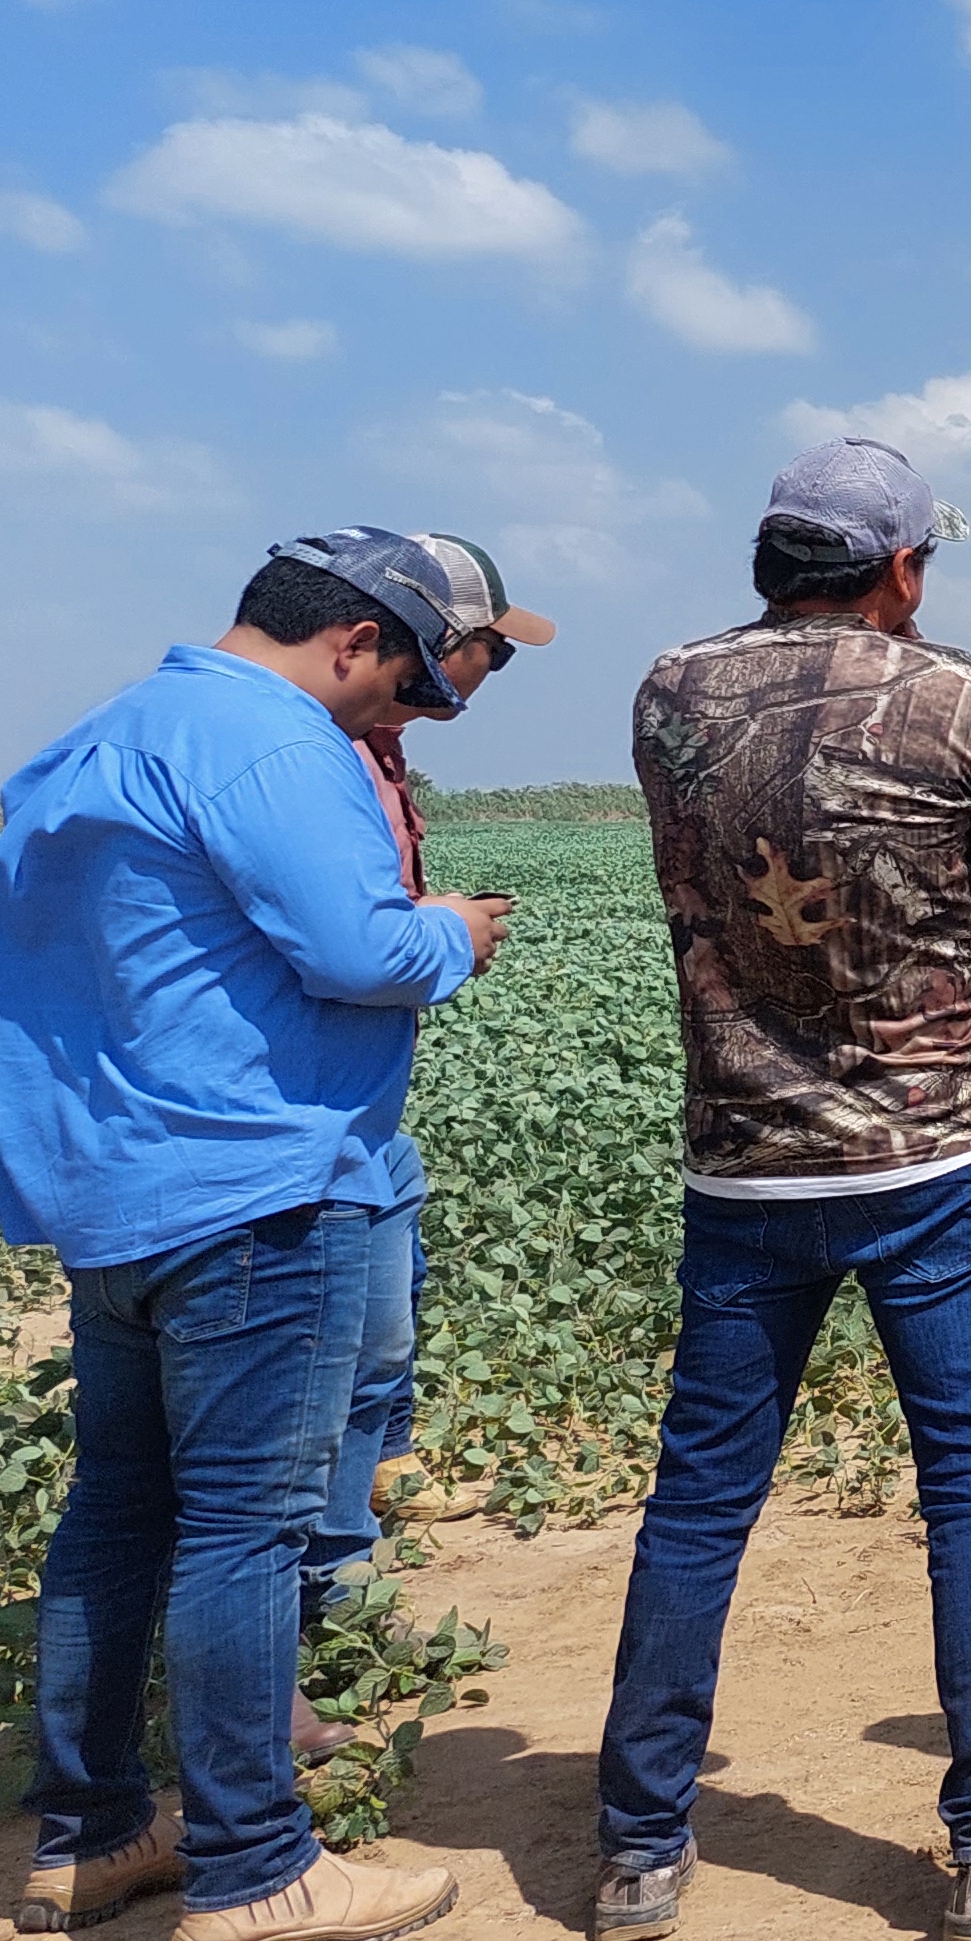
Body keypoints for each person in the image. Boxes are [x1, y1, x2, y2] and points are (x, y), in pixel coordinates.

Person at [595, 440, 971, 1941]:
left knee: (702, 1497)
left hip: (743, 1157)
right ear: (902, 568)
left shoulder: (669, 689)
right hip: (930, 1157)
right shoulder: (958, 696)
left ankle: (639, 1846)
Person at [0, 531, 513, 1941]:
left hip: (114, 1187)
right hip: (256, 1187)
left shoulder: (100, 739)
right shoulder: (272, 743)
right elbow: (364, 953)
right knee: (245, 1529)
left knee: (116, 1515)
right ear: (352, 640)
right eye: (404, 678)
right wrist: (454, 934)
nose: (400, 710)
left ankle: (91, 1833)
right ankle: (256, 1868)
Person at [301, 536, 553, 1678]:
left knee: (382, 1320)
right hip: (303, 1129)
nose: (496, 671)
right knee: (330, 1355)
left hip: (359, 1111)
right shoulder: (312, 756)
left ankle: (370, 1494)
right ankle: (325, 1589)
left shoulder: (372, 744)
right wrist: (444, 933)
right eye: (493, 649)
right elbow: (347, 946)